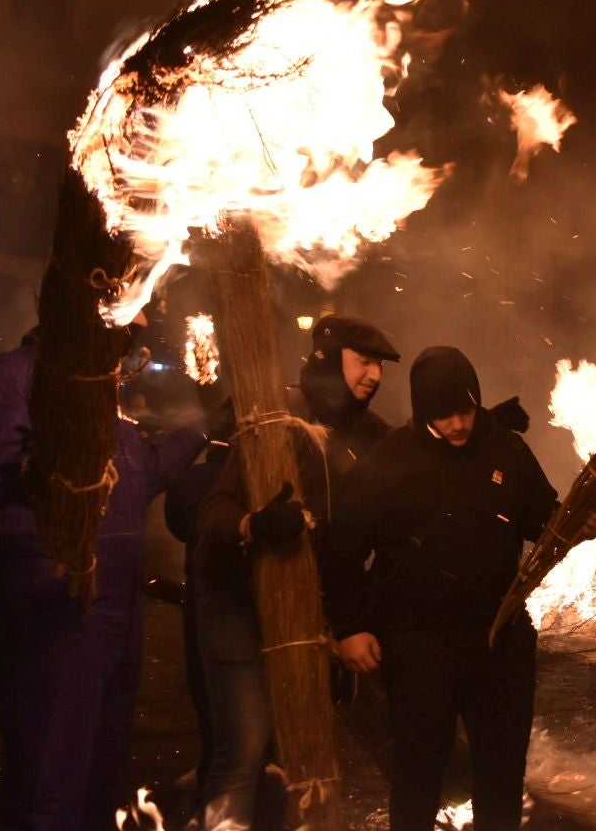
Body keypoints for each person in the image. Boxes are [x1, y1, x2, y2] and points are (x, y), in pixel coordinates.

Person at [0, 321, 207, 831]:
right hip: (49, 618)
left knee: (96, 792)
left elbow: (137, 481)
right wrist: (23, 474)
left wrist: (203, 429)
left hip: (113, 625)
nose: (139, 331)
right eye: (128, 320)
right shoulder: (18, 378)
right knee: (49, 798)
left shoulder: (101, 391)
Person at [322, 346, 596, 831]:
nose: (458, 424)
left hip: (498, 635)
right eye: (444, 415)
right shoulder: (389, 461)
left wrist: (580, 524)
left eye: (466, 411)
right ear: (421, 412)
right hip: (416, 640)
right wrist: (349, 627)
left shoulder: (506, 448)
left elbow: (543, 518)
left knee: (501, 771)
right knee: (418, 771)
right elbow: (340, 548)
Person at [185, 314, 401, 830]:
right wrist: (255, 525)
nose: (375, 374)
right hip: (236, 602)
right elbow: (210, 512)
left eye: (380, 365)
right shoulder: (272, 417)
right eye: (364, 361)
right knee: (243, 750)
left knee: (297, 749)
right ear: (329, 360)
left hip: (310, 611)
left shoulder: (372, 435)